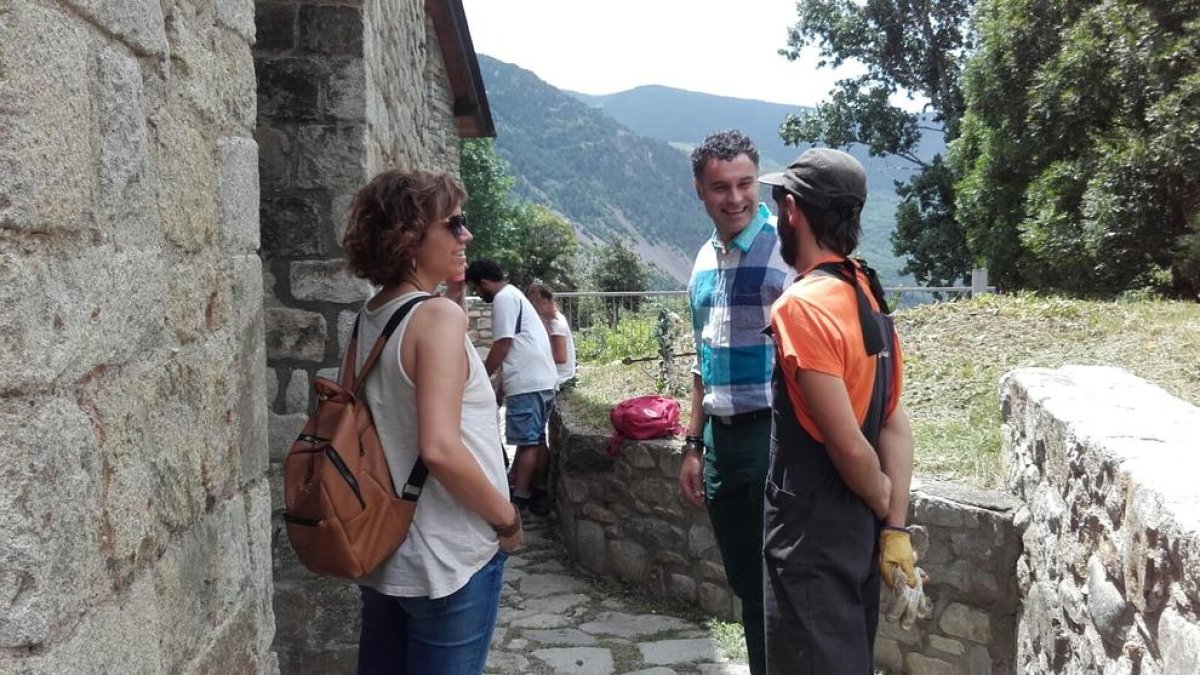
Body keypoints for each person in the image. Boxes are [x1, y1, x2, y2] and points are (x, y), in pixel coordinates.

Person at [341, 170, 523, 674]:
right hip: (449, 557)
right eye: (453, 223)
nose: (465, 235)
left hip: (384, 553)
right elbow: (440, 447)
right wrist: (506, 521)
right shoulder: (437, 318)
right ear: (409, 236)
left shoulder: (369, 318)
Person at [758, 148, 917, 674]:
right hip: (857, 537)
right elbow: (893, 420)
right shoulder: (866, 289)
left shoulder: (801, 307)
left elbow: (849, 444)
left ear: (792, 212)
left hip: (812, 538)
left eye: (779, 199)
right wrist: (893, 526)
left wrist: (879, 496)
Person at [676, 130, 791, 675]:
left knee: (782, 582)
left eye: (745, 183)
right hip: (721, 442)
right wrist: (694, 445)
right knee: (746, 579)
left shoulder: (787, 254)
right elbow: (703, 358)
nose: (735, 198)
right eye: (720, 187)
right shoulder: (702, 258)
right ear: (700, 190)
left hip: (774, 435)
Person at [465, 260, 559, 515]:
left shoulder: (503, 299)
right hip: (541, 381)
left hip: (527, 384)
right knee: (537, 440)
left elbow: (503, 343)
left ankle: (519, 499)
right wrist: (501, 385)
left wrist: (483, 375)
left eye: (475, 289)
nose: (477, 294)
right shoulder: (515, 295)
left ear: (484, 283)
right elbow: (518, 345)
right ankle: (537, 490)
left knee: (528, 443)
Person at [527, 282, 576, 390]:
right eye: (534, 305)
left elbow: (561, 357)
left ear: (549, 301)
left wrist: (533, 358)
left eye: (542, 303)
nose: (538, 309)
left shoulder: (556, 324)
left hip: (561, 378)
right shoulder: (549, 321)